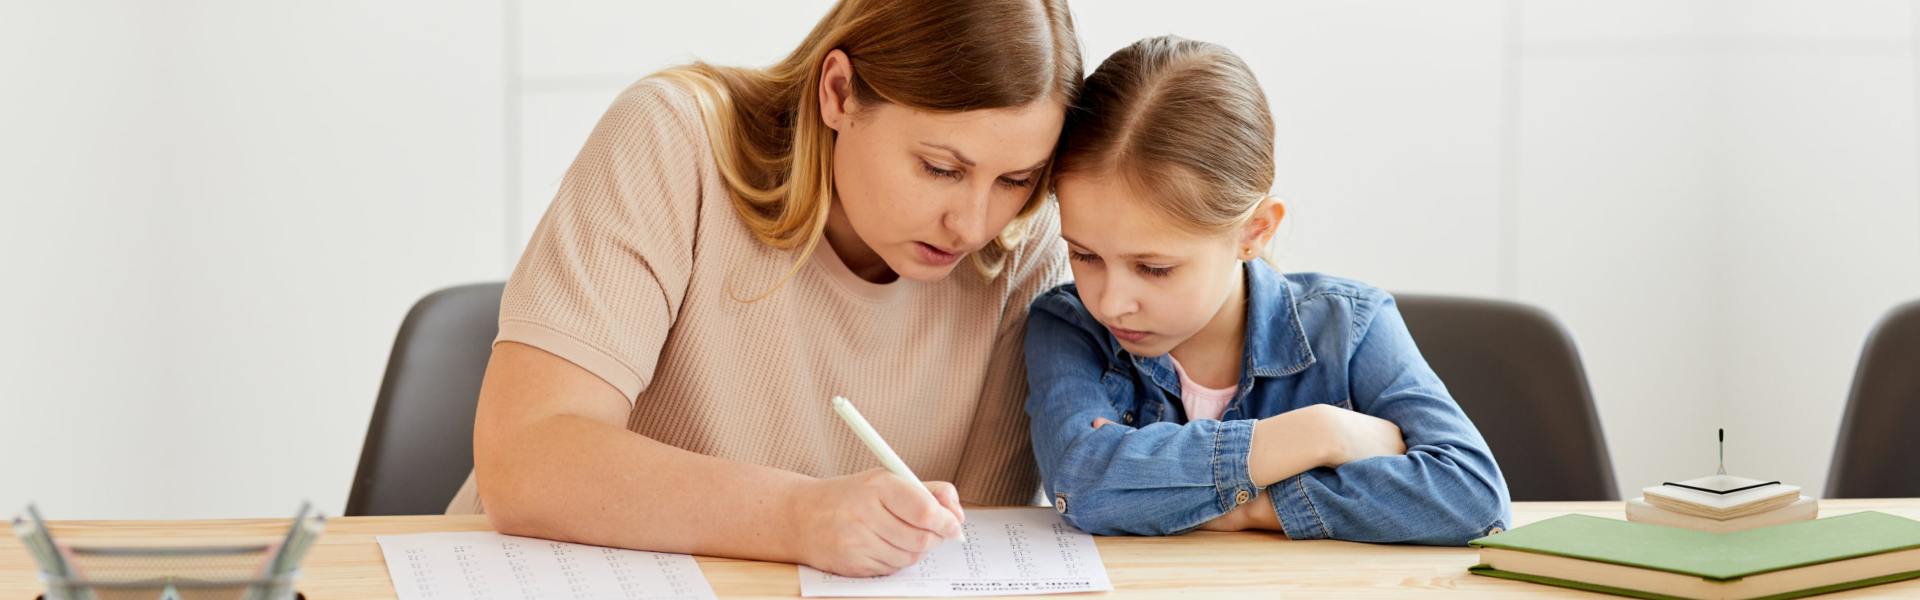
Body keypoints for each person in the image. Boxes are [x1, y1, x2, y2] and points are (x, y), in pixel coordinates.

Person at [461, 0, 1082, 576]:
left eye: (1016, 180)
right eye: (940, 168)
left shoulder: (1023, 250)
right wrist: (799, 516)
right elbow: (526, 461)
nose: (973, 225)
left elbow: (966, 555)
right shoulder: (676, 139)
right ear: (839, 93)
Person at [1025, 35, 1510, 544]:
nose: (1109, 302)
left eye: (1154, 267)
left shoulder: (1352, 325)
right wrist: (1322, 434)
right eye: (1084, 256)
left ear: (1254, 231)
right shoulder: (1069, 324)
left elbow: (1473, 498)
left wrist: (1238, 507)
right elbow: (1082, 485)